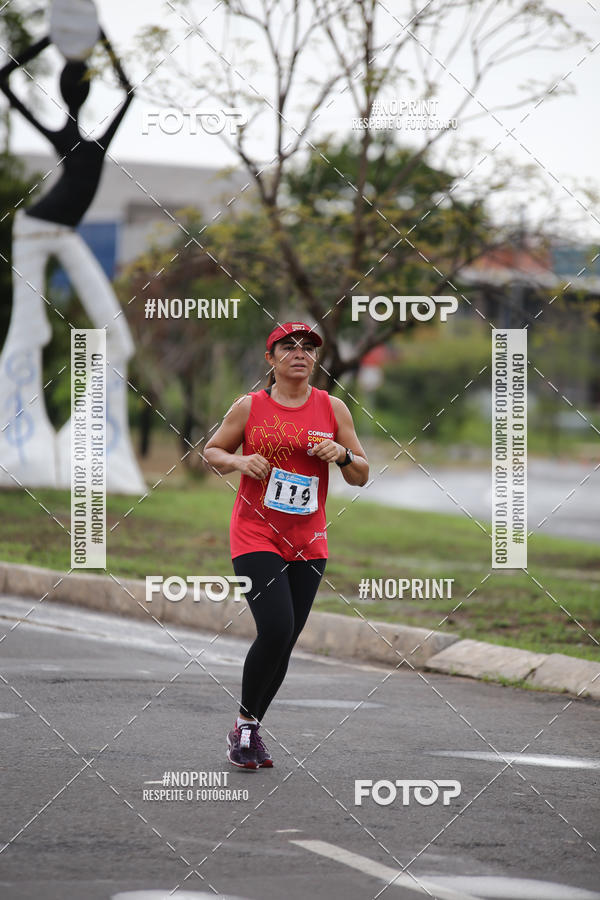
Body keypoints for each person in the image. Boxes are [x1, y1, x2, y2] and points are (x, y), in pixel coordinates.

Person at [204, 322, 369, 769]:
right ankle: (245, 727)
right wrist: (239, 460)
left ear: (315, 358)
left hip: (308, 540)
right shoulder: (250, 406)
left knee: (286, 640)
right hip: (254, 533)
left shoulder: (332, 408)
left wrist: (343, 455)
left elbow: (361, 473)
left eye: (308, 347)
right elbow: (212, 453)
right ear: (270, 358)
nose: (300, 353)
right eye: (289, 346)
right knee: (276, 628)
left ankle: (247, 728)